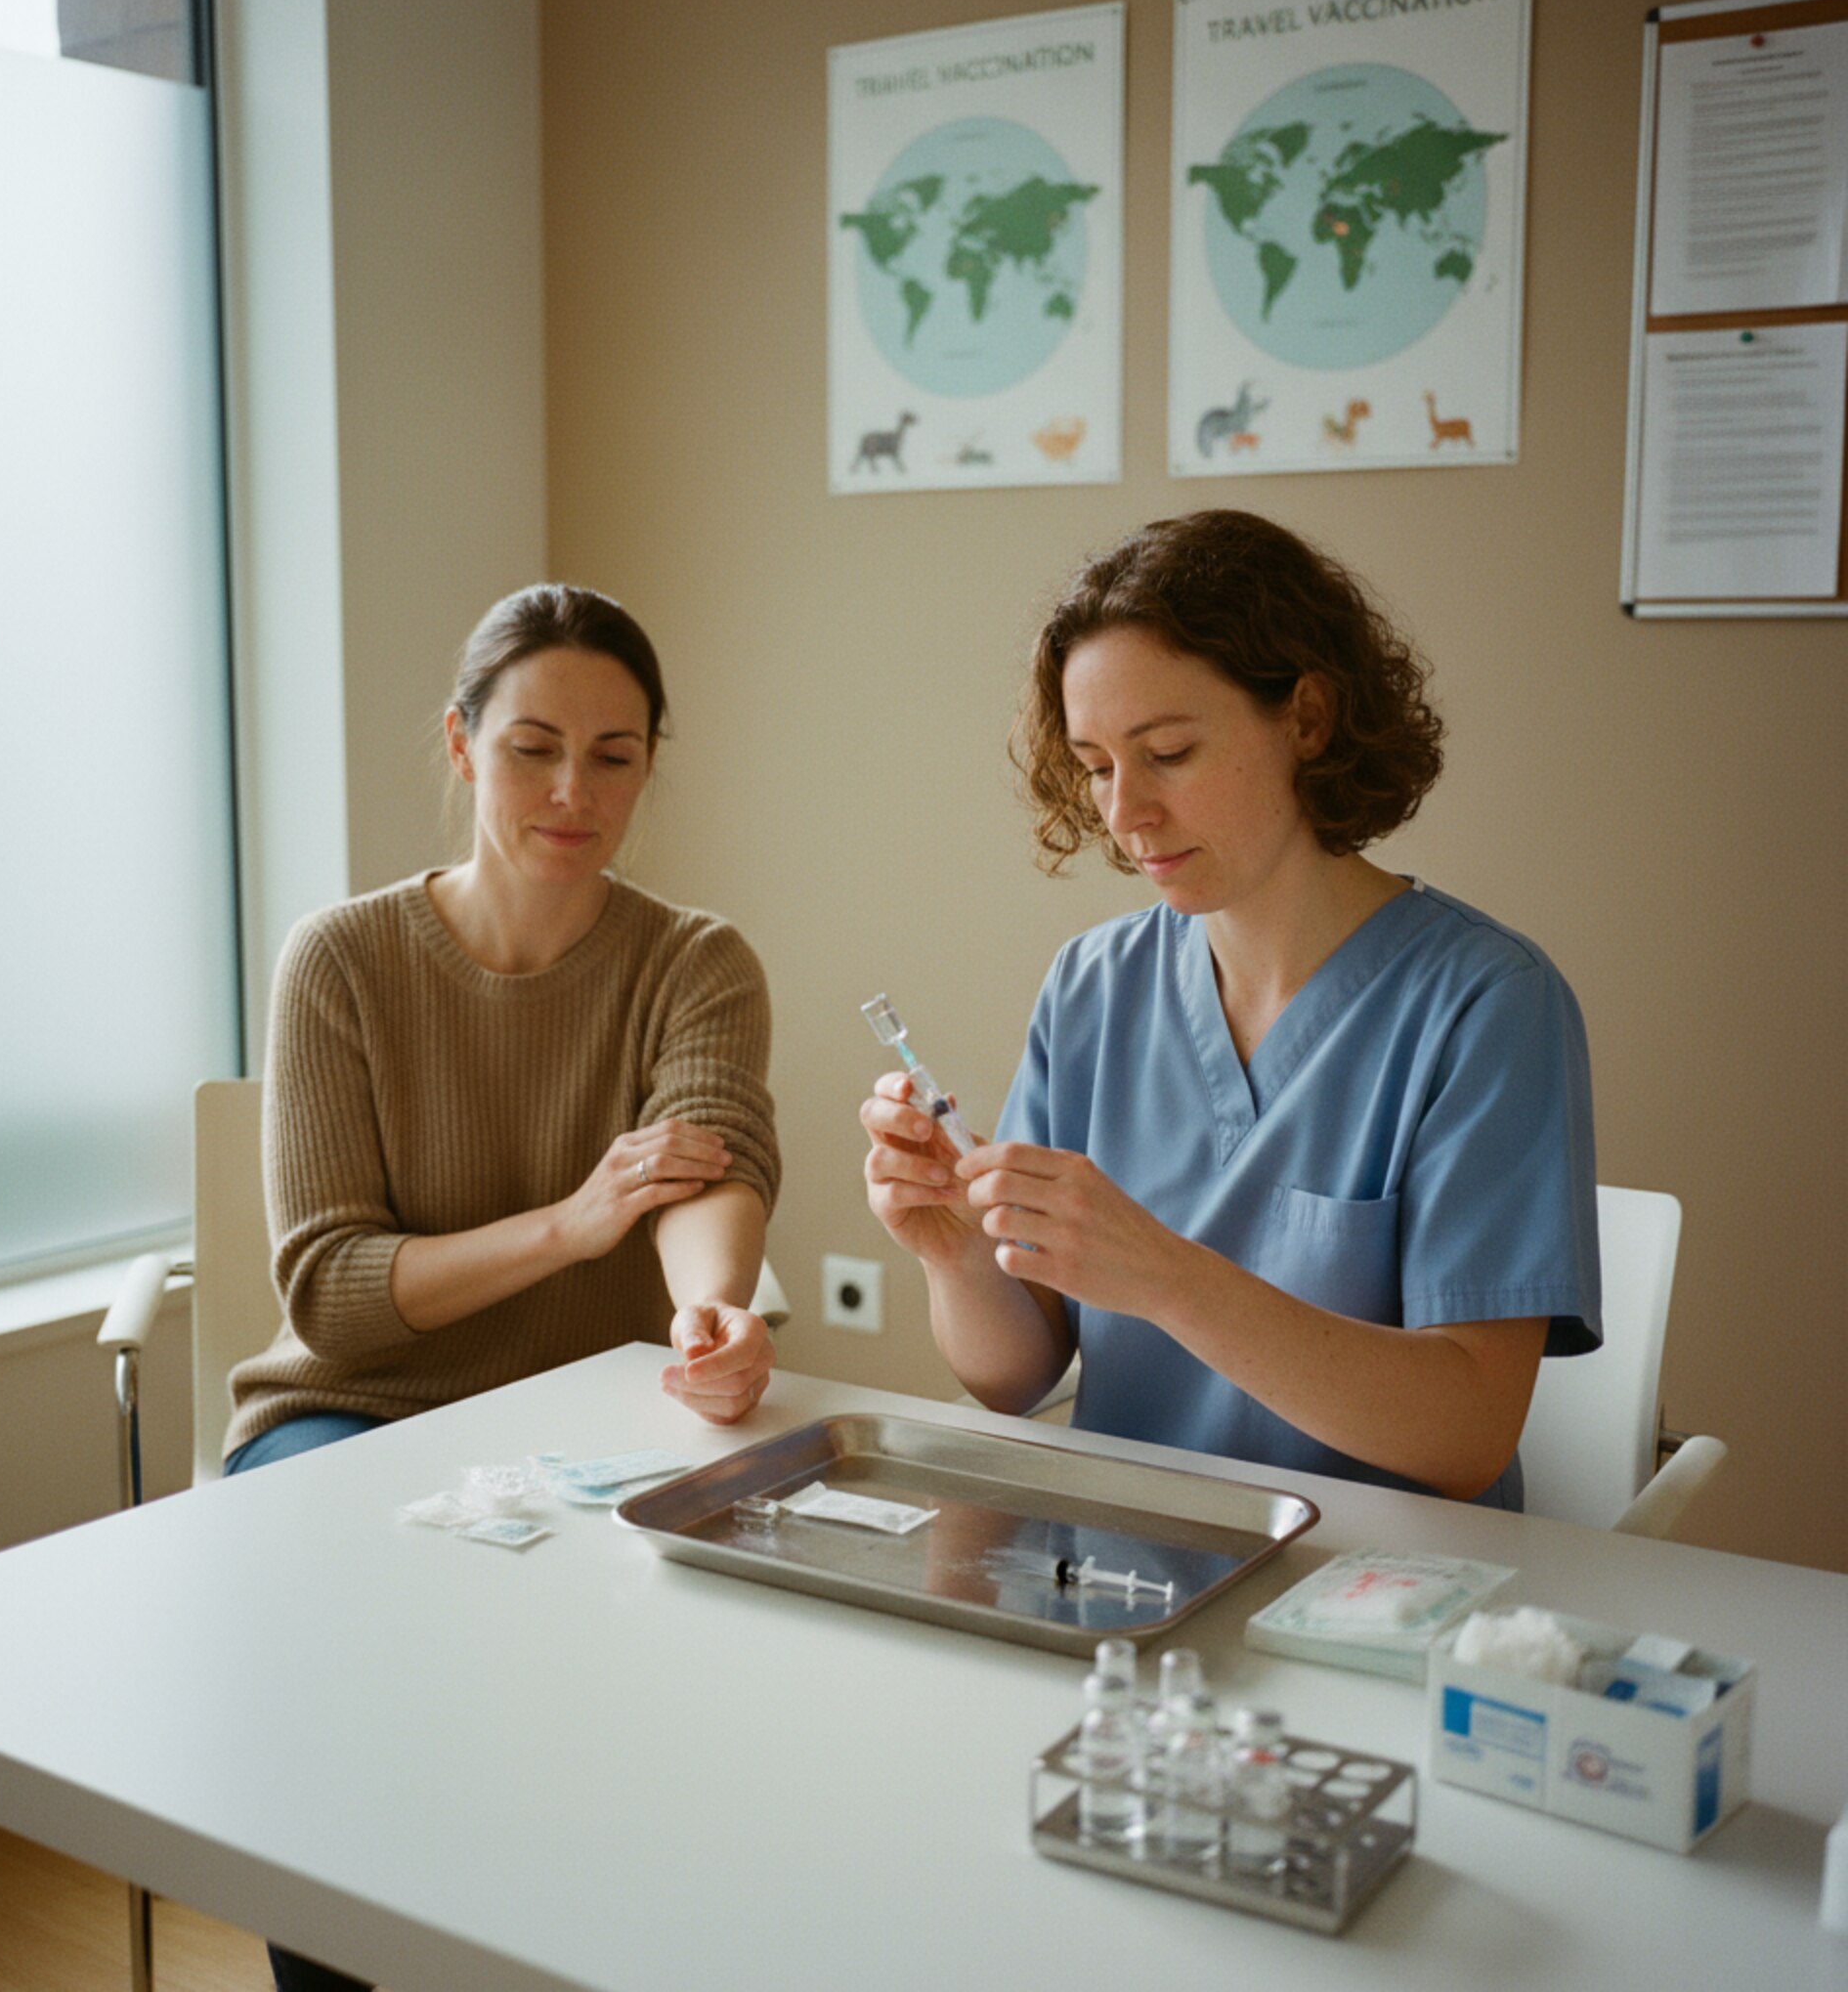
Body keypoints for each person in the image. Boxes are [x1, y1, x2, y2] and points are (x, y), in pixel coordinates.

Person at [225, 583, 781, 1992]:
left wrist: (710, 1307)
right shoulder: (340, 959)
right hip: (351, 1412)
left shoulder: (694, 960)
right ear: (463, 743)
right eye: (533, 747)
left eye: (613, 754)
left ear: (649, 764)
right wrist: (570, 1226)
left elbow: (707, 1158)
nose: (572, 791)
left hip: (592, 1426)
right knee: (345, 1685)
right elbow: (332, 1294)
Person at [862, 510, 1600, 1509]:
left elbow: (1466, 1434)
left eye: (1167, 751)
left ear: (1307, 719)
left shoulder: (1484, 1004)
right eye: (1096, 766)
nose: (1124, 813)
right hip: (1128, 1562)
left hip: (1371, 1577)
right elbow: (1017, 1374)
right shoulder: (1092, 985)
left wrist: (1165, 1275)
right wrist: (955, 1255)